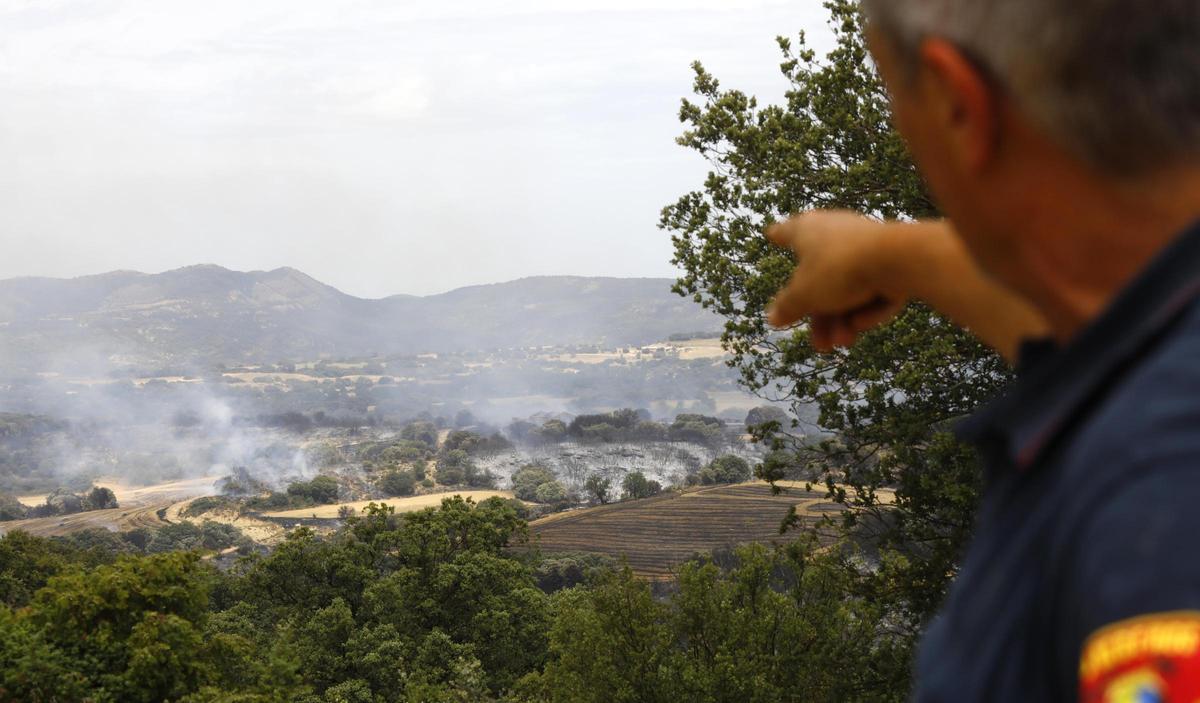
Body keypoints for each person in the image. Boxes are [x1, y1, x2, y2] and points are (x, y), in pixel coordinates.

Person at [764, 1, 1200, 701]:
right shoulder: (1154, 309)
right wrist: (890, 252)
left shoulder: (1159, 488)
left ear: (953, 102)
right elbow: (1097, 316)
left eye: (892, 91)